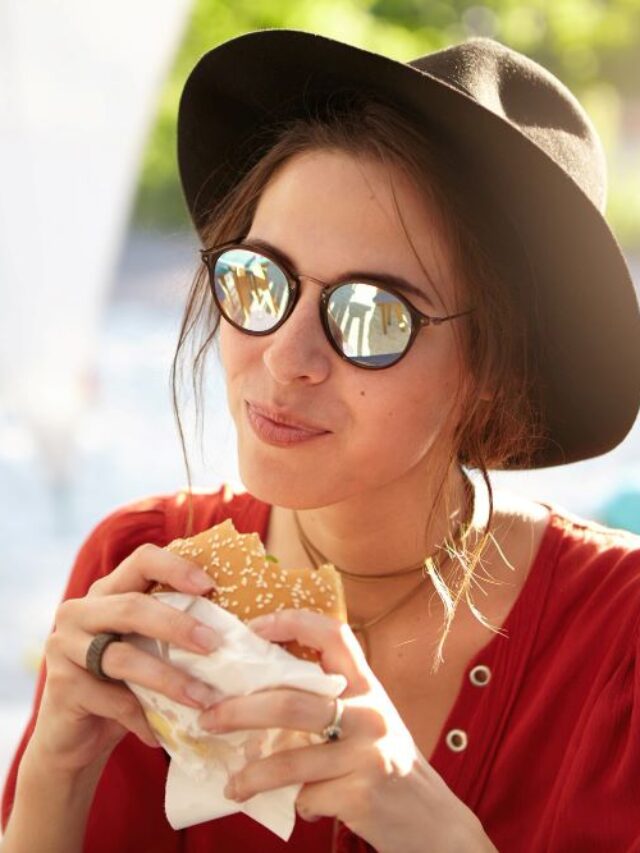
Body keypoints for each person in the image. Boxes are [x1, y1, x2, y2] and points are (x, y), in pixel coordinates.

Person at [2, 29, 640, 853]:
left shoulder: (620, 647)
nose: (285, 356)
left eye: (372, 315)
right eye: (262, 278)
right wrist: (55, 773)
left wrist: (439, 833)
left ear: (494, 373)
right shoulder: (140, 575)